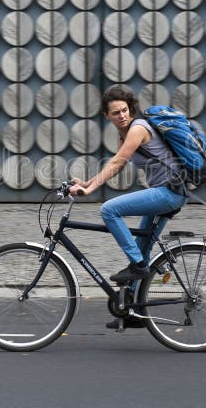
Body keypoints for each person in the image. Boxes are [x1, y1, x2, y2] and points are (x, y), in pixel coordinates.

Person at [69, 85, 187, 327]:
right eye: (116, 113)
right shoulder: (126, 133)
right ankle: (132, 311)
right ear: (107, 116)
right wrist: (87, 183)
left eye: (124, 110)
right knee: (142, 245)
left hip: (168, 192)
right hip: (169, 192)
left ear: (130, 108)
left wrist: (89, 191)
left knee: (108, 210)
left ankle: (138, 265)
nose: (122, 115)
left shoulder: (137, 128)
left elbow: (117, 161)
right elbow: (118, 165)